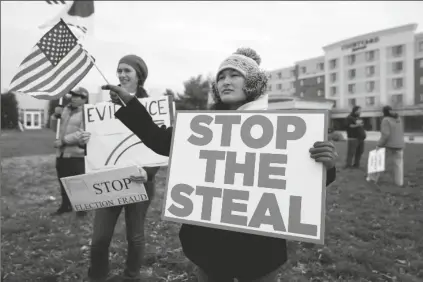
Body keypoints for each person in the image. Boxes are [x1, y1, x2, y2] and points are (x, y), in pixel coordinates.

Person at [103, 48, 338, 281]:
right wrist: (131, 103)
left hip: (260, 249)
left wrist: (325, 165)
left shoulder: (282, 128)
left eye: (234, 75)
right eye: (221, 76)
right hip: (209, 246)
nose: (226, 81)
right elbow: (157, 138)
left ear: (253, 82)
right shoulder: (203, 127)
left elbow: (300, 181)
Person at [81, 54, 160, 282]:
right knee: (99, 239)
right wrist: (88, 138)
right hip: (109, 180)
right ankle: (97, 276)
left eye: (128, 70)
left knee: (135, 237)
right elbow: (101, 143)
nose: (122, 75)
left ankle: (131, 276)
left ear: (139, 76)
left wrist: (149, 173)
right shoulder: (104, 108)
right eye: (119, 70)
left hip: (139, 181)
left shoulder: (153, 107)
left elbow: (159, 143)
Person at [50, 87, 89, 217]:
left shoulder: (86, 113)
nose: (73, 98)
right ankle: (65, 205)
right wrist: (55, 116)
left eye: (77, 96)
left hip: (76, 154)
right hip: (61, 154)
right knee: (63, 180)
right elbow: (53, 128)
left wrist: (64, 141)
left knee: (77, 182)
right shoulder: (65, 110)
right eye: (72, 95)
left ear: (84, 99)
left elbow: (83, 133)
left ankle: (82, 209)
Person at [369, 106, 405, 186]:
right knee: (398, 165)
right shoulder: (399, 119)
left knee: (378, 161)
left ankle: (373, 178)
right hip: (399, 145)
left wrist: (379, 144)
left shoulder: (386, 120)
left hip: (389, 145)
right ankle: (399, 183)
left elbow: (386, 134)